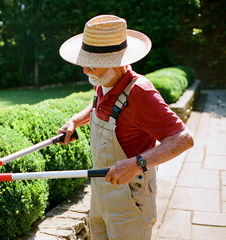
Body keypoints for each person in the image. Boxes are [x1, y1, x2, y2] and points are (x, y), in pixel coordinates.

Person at [58, 15, 194, 240]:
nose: (85, 70)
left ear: (116, 61)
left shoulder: (141, 94)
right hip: (100, 194)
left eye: (93, 64)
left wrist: (138, 163)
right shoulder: (104, 81)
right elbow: (97, 106)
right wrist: (75, 120)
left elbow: (183, 138)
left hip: (131, 199)